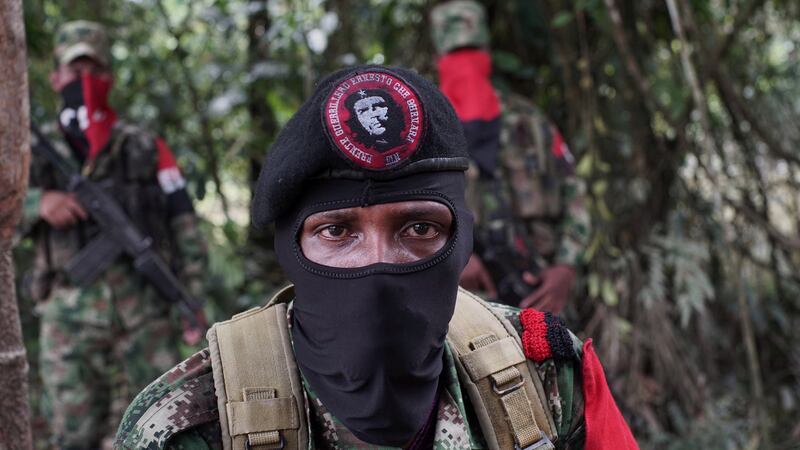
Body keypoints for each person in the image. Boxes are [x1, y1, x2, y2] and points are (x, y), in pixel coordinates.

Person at [115, 65, 637, 450]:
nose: (378, 265)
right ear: (290, 249)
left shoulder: (546, 377)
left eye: (419, 228)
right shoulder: (187, 426)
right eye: (337, 231)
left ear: (460, 238)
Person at [20, 21, 208, 449]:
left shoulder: (145, 146)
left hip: (145, 317)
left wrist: (191, 299)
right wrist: (39, 203)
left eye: (94, 69)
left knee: (161, 427)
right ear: (55, 79)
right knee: (74, 435)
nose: (84, 81)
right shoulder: (29, 151)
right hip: (68, 318)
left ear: (109, 77)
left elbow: (184, 225)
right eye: (73, 70)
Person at [431, 1, 592, 313]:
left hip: (543, 290)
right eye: (454, 55)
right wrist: (451, 255)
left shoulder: (530, 121)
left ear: (488, 55)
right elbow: (401, 212)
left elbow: (575, 194)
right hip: (466, 307)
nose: (464, 65)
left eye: (473, 51)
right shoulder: (425, 130)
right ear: (438, 60)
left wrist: (565, 268)